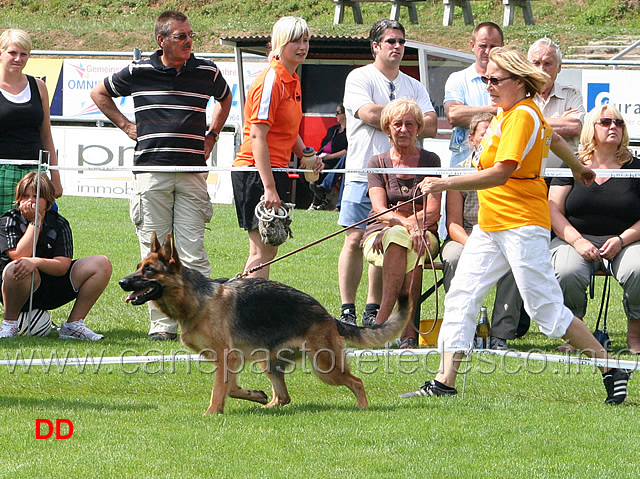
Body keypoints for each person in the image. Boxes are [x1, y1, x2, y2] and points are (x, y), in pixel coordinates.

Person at [403, 47, 631, 405]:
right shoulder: (511, 113)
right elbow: (553, 138)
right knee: (462, 295)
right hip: (491, 225)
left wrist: (444, 183)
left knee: (546, 311)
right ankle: (444, 381)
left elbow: (502, 172)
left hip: (522, 225)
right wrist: (577, 167)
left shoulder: (523, 115)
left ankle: (609, 366)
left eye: (495, 80)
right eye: (485, 79)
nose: (488, 85)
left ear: (519, 81)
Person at [90, 10, 232, 341]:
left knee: (192, 250)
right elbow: (99, 93)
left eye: (190, 35)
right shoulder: (138, 70)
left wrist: (212, 134)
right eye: (181, 36)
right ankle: (162, 325)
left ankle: (202, 320)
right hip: (151, 171)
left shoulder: (207, 70)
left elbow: (224, 99)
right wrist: (126, 125)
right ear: (161, 40)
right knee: (152, 251)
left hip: (192, 171)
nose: (188, 42)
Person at [338, 18, 437, 327]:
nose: (397, 47)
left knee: (392, 238)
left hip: (406, 173)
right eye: (390, 41)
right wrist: (406, 115)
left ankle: (373, 306)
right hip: (363, 168)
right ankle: (347, 309)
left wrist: (396, 117)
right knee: (356, 239)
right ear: (375, 46)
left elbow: (432, 125)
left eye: (401, 41)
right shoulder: (360, 77)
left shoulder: (414, 84)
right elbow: (366, 114)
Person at [231, 17, 320, 280]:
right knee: (261, 251)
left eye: (305, 40)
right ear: (280, 44)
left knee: (269, 248)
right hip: (255, 171)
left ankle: (246, 312)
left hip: (274, 169)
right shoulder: (271, 79)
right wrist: (268, 187)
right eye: (295, 40)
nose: (302, 46)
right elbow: (258, 136)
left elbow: (286, 131)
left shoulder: (292, 79)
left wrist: (307, 155)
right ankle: (247, 314)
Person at [549, 104, 640, 354]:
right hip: (574, 240)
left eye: (619, 123)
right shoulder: (572, 164)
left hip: (628, 241)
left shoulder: (637, 167)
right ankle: (576, 335)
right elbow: (552, 209)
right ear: (591, 129)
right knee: (566, 270)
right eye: (606, 122)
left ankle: (636, 333)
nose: (614, 127)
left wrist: (622, 240)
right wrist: (577, 241)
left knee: (638, 269)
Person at [440, 112, 526, 350]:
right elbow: (453, 224)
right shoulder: (459, 172)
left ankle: (500, 333)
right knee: (453, 257)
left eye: (495, 132)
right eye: (484, 132)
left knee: (513, 261)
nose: (490, 137)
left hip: (503, 234)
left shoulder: (510, 173)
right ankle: (461, 331)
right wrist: (473, 246)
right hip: (465, 234)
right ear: (471, 139)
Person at [362, 99, 440, 347]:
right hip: (382, 234)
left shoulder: (432, 160)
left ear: (418, 128)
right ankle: (406, 334)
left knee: (408, 242)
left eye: (410, 124)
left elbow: (434, 210)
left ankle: (381, 324)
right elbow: (379, 210)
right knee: (399, 237)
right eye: (398, 124)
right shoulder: (377, 163)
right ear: (387, 129)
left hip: (425, 232)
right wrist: (408, 225)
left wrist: (414, 227)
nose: (404, 129)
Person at [0, 173, 111, 340]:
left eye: (37, 197)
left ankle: (73, 325)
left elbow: (62, 266)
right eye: (25, 196)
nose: (30, 201)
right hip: (15, 288)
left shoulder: (59, 223)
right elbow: (19, 255)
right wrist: (35, 223)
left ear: (48, 201)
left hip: (51, 286)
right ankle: (9, 324)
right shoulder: (9, 220)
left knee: (101, 263)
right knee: (20, 266)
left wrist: (36, 262)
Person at [0, 29, 62, 214]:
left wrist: (55, 177)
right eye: (12, 53)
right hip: (2, 171)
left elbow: (46, 134)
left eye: (23, 54)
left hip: (35, 173)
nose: (18, 58)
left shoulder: (39, 86)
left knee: (39, 233)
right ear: (1, 53)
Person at [444, 22, 503, 168]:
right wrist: (499, 111)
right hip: (463, 166)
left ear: (502, 47)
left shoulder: (513, 81)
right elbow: (454, 115)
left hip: (499, 167)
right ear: (472, 45)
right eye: (483, 46)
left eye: (493, 46)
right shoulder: (458, 78)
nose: (488, 51)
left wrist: (470, 113)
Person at [528, 38, 585, 171]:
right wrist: (560, 122)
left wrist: (529, 125)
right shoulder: (518, 94)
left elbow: (574, 127)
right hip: (528, 177)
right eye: (536, 63)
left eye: (548, 63)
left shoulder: (571, 93)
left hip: (564, 177)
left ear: (559, 67)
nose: (541, 69)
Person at [308, 103, 347, 210]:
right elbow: (323, 145)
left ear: (345, 114)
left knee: (320, 169)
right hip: (321, 158)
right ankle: (320, 197)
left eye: (338, 113)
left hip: (334, 161)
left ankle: (318, 200)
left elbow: (347, 151)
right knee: (304, 170)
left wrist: (327, 158)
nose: (336, 115)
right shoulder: (333, 129)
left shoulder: (350, 132)